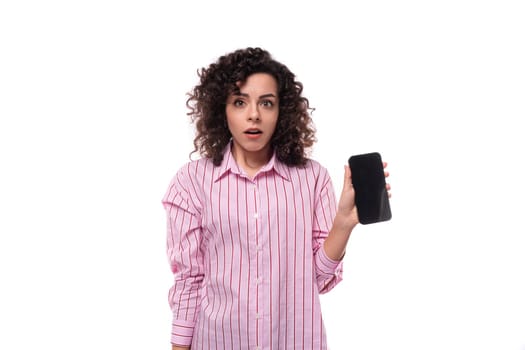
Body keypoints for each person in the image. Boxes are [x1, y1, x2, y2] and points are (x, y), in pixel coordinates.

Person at [162, 47, 391, 350]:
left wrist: (344, 224)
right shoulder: (192, 182)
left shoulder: (312, 178)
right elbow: (189, 281)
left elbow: (318, 280)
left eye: (266, 103)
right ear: (222, 109)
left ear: (281, 111)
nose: (253, 114)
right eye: (240, 102)